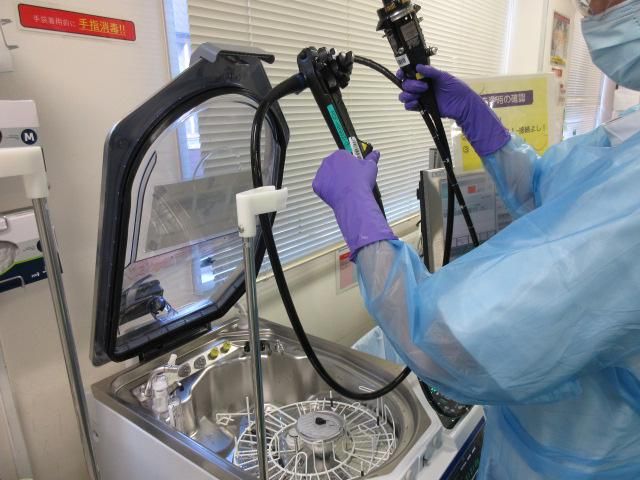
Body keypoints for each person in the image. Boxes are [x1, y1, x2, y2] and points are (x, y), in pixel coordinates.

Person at [312, 0, 640, 478]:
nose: (592, 12)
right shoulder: (628, 141)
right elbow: (552, 192)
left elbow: (441, 342)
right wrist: (476, 117)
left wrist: (357, 214)